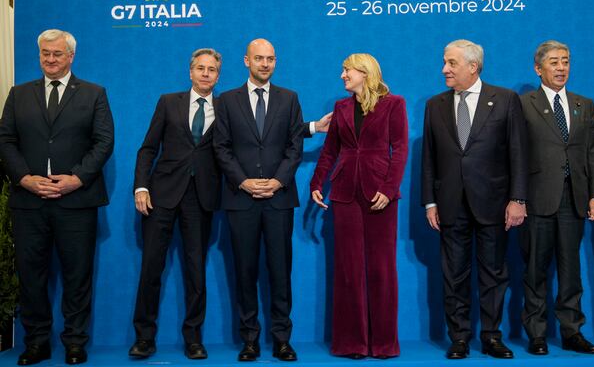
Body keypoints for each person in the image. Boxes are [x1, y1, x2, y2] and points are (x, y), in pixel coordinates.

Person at [0, 29, 114, 365]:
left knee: (77, 276)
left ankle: (75, 342)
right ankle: (36, 342)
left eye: (57, 54)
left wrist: (76, 179)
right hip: (29, 201)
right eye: (45, 53)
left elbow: (104, 142)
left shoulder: (94, 94)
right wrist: (24, 178)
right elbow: (5, 140)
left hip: (76, 202)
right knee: (31, 275)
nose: (50, 59)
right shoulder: (19, 94)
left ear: (71, 56)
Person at [421, 39, 527, 359]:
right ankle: (459, 338)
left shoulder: (506, 99)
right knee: (454, 274)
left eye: (451, 63)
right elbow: (429, 158)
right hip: (450, 203)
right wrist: (430, 202)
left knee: (493, 273)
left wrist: (518, 199)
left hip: (494, 203)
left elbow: (518, 154)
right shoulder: (435, 104)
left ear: (473, 67)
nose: (444, 69)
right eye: (444, 62)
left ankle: (492, 337)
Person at [310, 54, 408, 359]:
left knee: (381, 268)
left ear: (364, 73)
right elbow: (330, 151)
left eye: (346, 70)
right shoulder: (341, 107)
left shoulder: (394, 103)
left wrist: (389, 189)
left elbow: (401, 148)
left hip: (380, 192)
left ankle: (383, 344)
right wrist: (316, 184)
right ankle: (351, 343)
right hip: (345, 194)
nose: (342, 76)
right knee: (349, 269)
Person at [128, 48, 223, 360]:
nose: (206, 74)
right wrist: (141, 186)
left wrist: (310, 127)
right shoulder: (169, 102)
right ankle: (144, 338)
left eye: (212, 70)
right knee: (151, 267)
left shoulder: (227, 109)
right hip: (161, 195)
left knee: (196, 272)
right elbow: (147, 149)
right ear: (190, 71)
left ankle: (194, 339)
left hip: (202, 198)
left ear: (218, 75)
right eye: (200, 68)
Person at [213, 38, 304, 362]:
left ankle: (282, 339)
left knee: (281, 272)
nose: (265, 64)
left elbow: (295, 146)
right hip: (242, 200)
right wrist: (243, 181)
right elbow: (220, 147)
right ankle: (249, 339)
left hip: (279, 200)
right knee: (245, 270)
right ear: (246, 61)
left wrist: (278, 181)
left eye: (271, 59)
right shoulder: (226, 100)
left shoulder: (289, 98)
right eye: (259, 59)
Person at [520, 40, 594, 355]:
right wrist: (517, 197)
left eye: (565, 61)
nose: (561, 68)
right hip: (537, 197)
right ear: (538, 68)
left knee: (571, 271)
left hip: (574, 198)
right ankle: (537, 334)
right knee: (535, 268)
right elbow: (515, 153)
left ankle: (572, 332)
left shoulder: (584, 105)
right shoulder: (523, 103)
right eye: (554, 62)